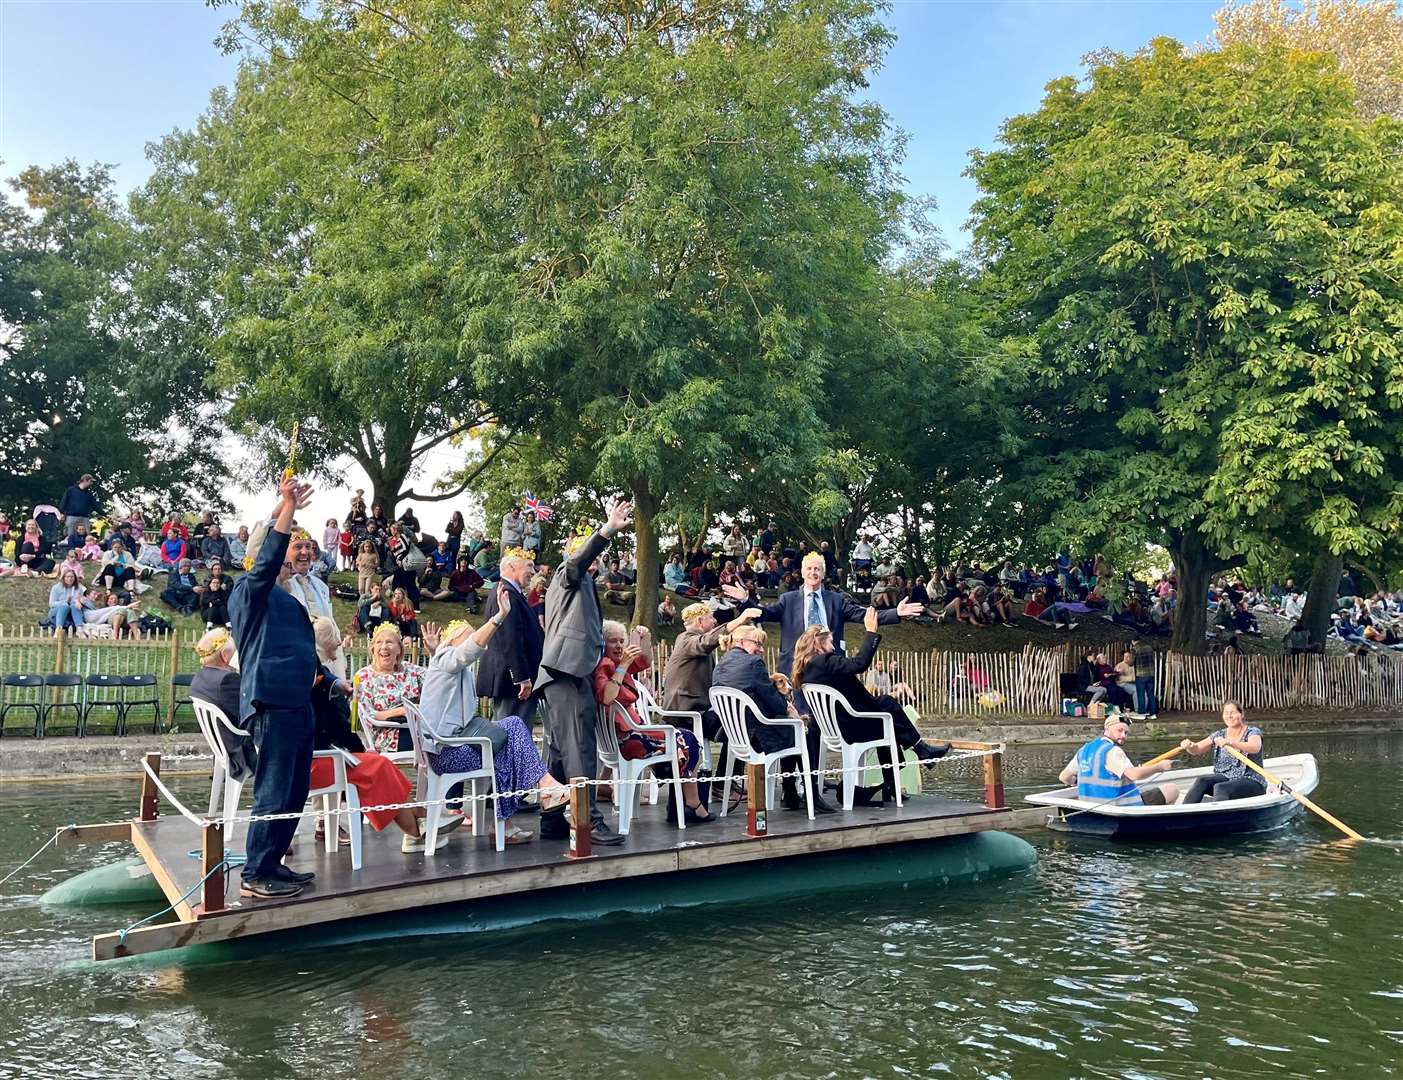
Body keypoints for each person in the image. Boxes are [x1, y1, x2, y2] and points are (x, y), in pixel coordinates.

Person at [228, 474, 349, 900]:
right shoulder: (248, 589)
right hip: (273, 702)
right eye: (280, 552)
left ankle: (275, 863)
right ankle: (255, 872)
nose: (288, 560)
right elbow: (264, 563)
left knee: (296, 789)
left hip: (299, 704)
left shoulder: (291, 599)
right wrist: (287, 508)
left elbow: (309, 654)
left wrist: (332, 682)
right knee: (275, 787)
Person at [419, 596, 573, 845]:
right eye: (469, 637)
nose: (482, 644)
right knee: (507, 745)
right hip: (448, 755)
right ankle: (516, 813)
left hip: (450, 748)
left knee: (512, 727)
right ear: (453, 642)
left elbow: (453, 661)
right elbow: (464, 653)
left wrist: (437, 650)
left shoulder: (445, 664)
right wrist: (498, 617)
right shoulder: (447, 658)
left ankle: (538, 794)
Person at [535, 502, 634, 847]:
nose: (592, 558)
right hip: (567, 671)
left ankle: (551, 821)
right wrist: (607, 529)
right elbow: (577, 560)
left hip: (567, 672)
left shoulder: (584, 583)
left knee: (561, 749)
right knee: (580, 748)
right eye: (585, 551)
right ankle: (588, 821)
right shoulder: (566, 573)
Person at [791, 613, 952, 804]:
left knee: (886, 710)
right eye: (830, 642)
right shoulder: (824, 661)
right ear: (818, 643)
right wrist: (870, 631)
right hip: (851, 728)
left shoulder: (809, 668)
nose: (833, 647)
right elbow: (860, 664)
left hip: (837, 726)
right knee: (888, 711)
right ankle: (918, 752)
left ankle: (906, 767)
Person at [725, 550, 923, 679]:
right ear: (802, 573)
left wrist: (896, 612)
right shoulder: (788, 599)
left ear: (823, 573)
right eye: (809, 569)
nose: (813, 572)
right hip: (796, 666)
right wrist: (745, 600)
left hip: (829, 667)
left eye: (817, 569)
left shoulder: (835, 600)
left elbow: (864, 615)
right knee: (802, 722)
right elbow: (763, 614)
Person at [594, 620, 712, 823]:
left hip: (630, 733)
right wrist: (623, 666)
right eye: (614, 641)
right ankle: (692, 805)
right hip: (628, 739)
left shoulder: (614, 663)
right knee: (687, 741)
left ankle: (685, 802)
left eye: (622, 641)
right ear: (603, 644)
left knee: (685, 740)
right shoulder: (605, 666)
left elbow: (645, 661)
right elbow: (607, 696)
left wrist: (645, 638)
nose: (620, 646)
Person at [711, 623, 834, 813]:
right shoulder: (753, 664)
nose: (761, 649)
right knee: (807, 731)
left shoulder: (721, 664)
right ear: (741, 642)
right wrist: (788, 706)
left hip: (735, 734)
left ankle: (790, 792)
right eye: (757, 644)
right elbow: (773, 701)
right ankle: (811, 794)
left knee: (791, 728)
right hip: (758, 734)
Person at [662, 601, 762, 794]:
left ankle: (725, 780)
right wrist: (740, 619)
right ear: (700, 621)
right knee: (742, 726)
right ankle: (724, 783)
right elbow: (707, 641)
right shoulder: (686, 639)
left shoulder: (689, 641)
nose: (715, 621)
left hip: (695, 711)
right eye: (711, 617)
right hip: (686, 714)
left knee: (740, 723)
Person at [475, 550, 544, 725]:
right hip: (513, 683)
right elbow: (510, 639)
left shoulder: (510, 592)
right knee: (513, 735)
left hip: (512, 681)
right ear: (512, 566)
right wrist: (521, 677)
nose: (533, 572)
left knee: (511, 734)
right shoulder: (507, 594)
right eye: (529, 565)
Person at [1058, 717, 1180, 806]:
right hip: (1119, 808)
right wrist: (1160, 767)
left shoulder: (1084, 749)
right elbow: (1134, 775)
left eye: (1126, 732)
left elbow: (1064, 777)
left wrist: (1082, 783)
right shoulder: (1113, 751)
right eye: (1119, 730)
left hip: (1092, 808)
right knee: (1172, 789)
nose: (1123, 736)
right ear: (1107, 728)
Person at [190, 628, 258, 783]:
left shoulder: (199, 678)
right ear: (225, 656)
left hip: (221, 750)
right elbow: (250, 717)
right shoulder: (228, 680)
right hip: (242, 753)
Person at [354, 622, 426, 753]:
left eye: (389, 642)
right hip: (389, 735)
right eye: (379, 642)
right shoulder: (364, 676)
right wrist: (402, 711)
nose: (384, 647)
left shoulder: (410, 670)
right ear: (373, 649)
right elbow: (369, 714)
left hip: (420, 730)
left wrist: (434, 652)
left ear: (399, 649)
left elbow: (436, 683)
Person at [1179, 702, 1267, 804]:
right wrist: (1190, 746)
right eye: (1226, 713)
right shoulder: (1219, 734)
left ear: (1241, 714)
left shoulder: (1252, 731)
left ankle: (1218, 816)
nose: (1229, 716)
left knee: (1220, 787)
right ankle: (1184, 811)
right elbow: (1197, 749)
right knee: (1202, 781)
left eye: (1233, 712)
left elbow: (1255, 747)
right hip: (1226, 778)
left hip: (1252, 780)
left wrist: (1230, 743)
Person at [59, 473, 101, 537]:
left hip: (84, 517)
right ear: (85, 480)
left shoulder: (88, 494)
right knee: (70, 536)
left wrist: (105, 514)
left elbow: (95, 505)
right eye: (90, 481)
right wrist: (61, 512)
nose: (91, 483)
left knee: (88, 537)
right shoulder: (71, 490)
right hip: (72, 516)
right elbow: (64, 501)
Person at [199, 562, 231, 627]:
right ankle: (209, 627)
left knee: (221, 607)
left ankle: (229, 626)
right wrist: (217, 601)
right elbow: (204, 602)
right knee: (214, 607)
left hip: (221, 616)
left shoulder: (223, 591)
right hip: (208, 615)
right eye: (214, 583)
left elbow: (225, 602)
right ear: (210, 584)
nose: (216, 584)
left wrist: (213, 602)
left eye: (217, 583)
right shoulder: (206, 592)